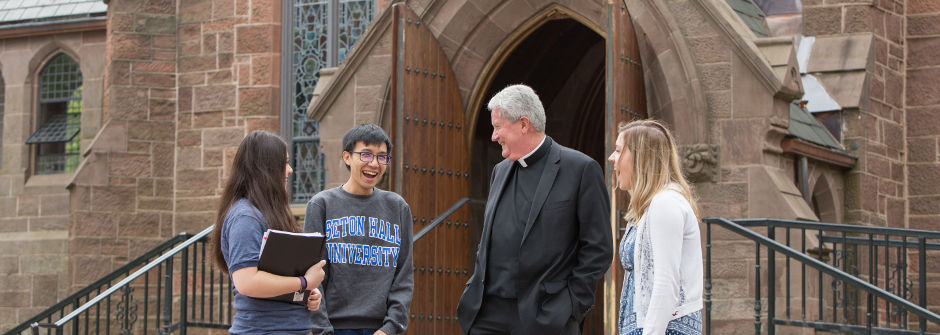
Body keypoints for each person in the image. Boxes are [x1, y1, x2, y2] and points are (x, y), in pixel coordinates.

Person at [457, 84, 613, 334]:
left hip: (544, 317)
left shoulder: (581, 169)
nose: (494, 136)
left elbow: (598, 248)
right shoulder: (500, 171)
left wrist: (571, 305)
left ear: (523, 124)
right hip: (488, 315)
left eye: (498, 127)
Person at [211, 130, 327, 334]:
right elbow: (247, 282)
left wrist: (308, 293)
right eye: (285, 163)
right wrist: (304, 282)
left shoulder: (266, 214)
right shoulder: (245, 218)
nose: (290, 170)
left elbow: (277, 274)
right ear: (265, 168)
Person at [304, 124, 414, 335]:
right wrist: (322, 330)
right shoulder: (321, 205)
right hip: (335, 328)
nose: (374, 163)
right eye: (366, 155)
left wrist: (391, 328)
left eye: (382, 157)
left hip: (381, 328)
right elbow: (313, 275)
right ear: (347, 157)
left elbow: (404, 275)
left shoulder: (398, 207)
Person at [607, 120, 703, 335]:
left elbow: (666, 284)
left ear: (641, 158)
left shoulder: (665, 203)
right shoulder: (650, 207)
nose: (612, 157)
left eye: (619, 150)